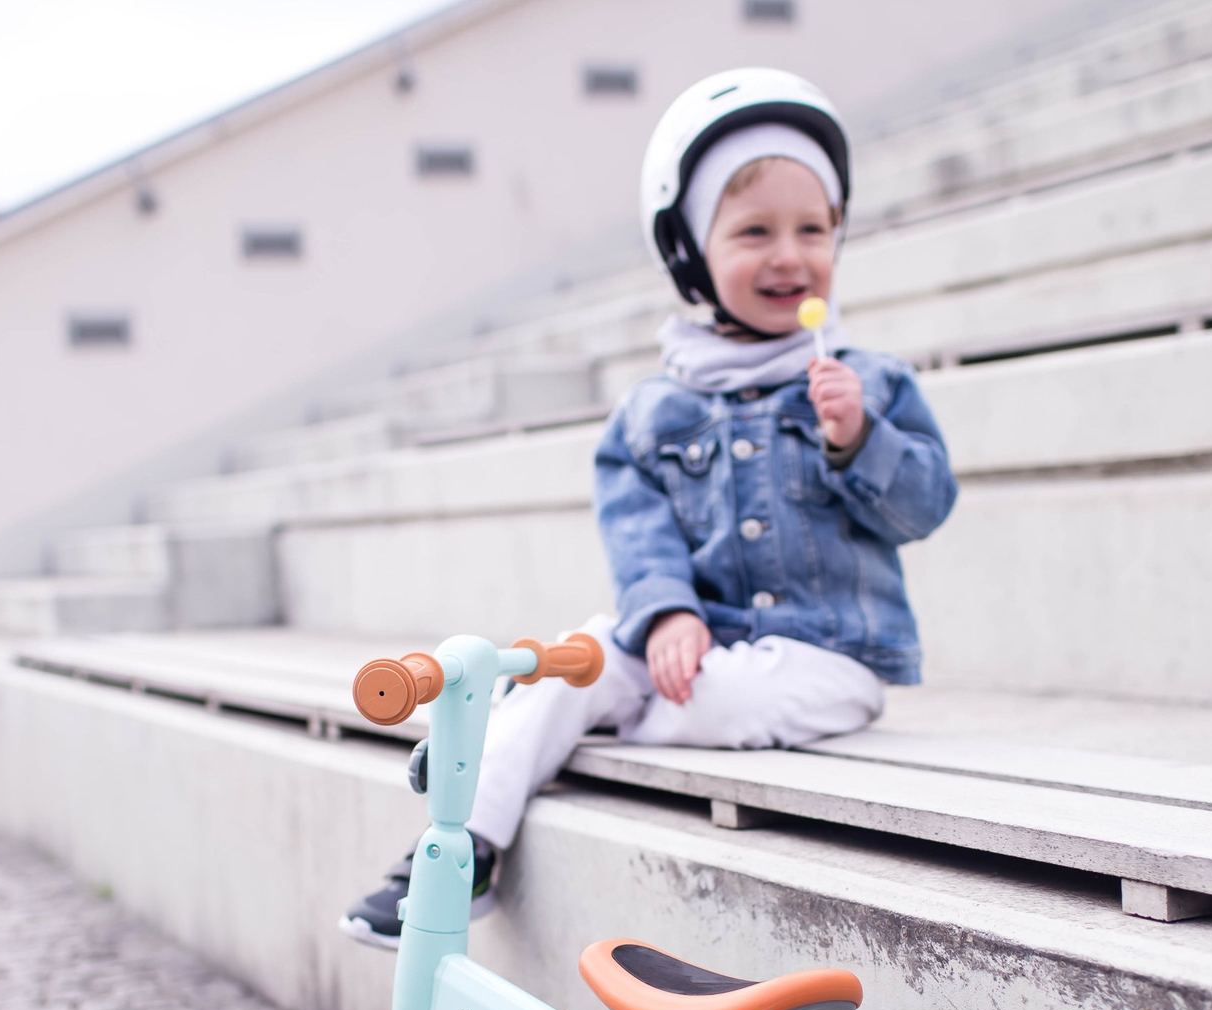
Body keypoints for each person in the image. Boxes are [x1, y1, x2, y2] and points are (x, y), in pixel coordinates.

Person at [341, 67, 957, 947]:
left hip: (826, 657)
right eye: (754, 232)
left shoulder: (867, 380)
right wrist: (665, 611)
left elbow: (926, 506)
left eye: (812, 229)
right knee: (591, 652)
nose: (790, 254)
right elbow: (640, 536)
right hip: (692, 649)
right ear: (689, 255)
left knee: (703, 704)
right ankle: (457, 852)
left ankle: (526, 730)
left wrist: (861, 439)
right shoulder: (651, 413)